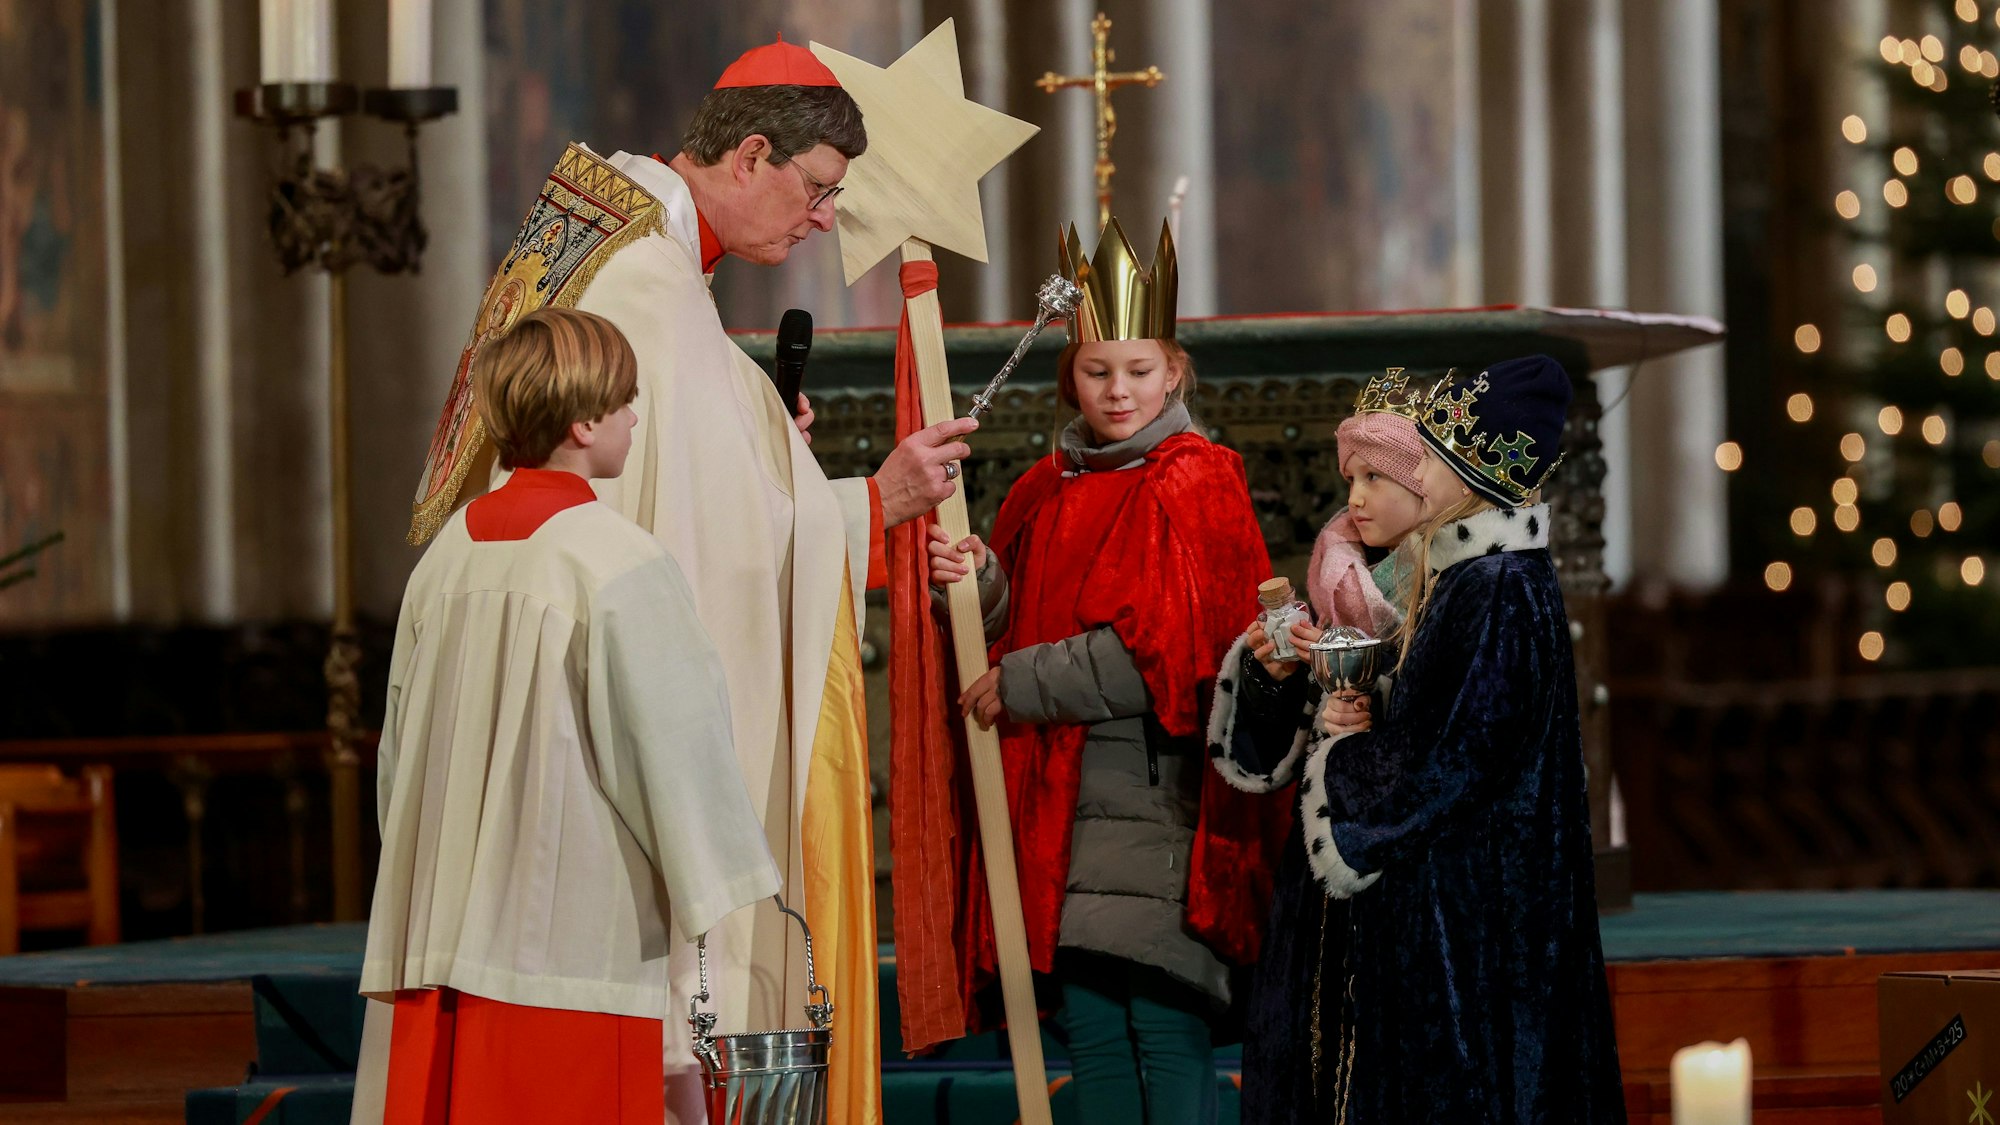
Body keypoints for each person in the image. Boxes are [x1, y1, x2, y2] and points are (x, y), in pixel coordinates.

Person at [405, 37, 971, 1123]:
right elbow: (699, 551)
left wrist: (762, 440)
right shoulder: (650, 286)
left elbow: (692, 492)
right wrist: (871, 502)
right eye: (817, 190)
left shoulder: (614, 235)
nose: (822, 219)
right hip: (596, 788)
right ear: (751, 154)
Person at [360, 308, 781, 1124]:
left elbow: (398, 758)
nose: (634, 417)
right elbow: (675, 745)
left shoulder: (442, 560)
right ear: (584, 423)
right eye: (625, 401)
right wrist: (718, 873)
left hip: (440, 940)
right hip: (568, 948)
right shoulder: (615, 558)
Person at [927, 218, 1290, 1125]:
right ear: (1070, 376)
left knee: (1165, 1024)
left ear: (1173, 371)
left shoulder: (1197, 480)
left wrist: (1020, 682)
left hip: (1163, 807)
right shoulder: (1044, 489)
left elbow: (1166, 650)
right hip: (1057, 807)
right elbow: (1017, 625)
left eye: (1137, 370)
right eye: (1097, 371)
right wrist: (982, 584)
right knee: (1090, 1030)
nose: (1117, 390)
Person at [1220, 355, 1625, 1121]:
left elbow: (1457, 753)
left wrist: (1343, 761)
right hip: (1431, 903)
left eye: (1418, 461)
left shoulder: (1493, 585)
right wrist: (1328, 698)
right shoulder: (1465, 575)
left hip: (1466, 914)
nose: (1360, 495)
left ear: (1468, 474)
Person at [1203, 369, 1428, 1122]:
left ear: (1424, 485)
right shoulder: (1337, 577)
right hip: (1319, 883)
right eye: (1349, 478)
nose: (1354, 497)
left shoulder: (1450, 589)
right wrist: (1275, 677)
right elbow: (1275, 751)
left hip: (1403, 874)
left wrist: (1370, 710)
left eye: (1375, 477)